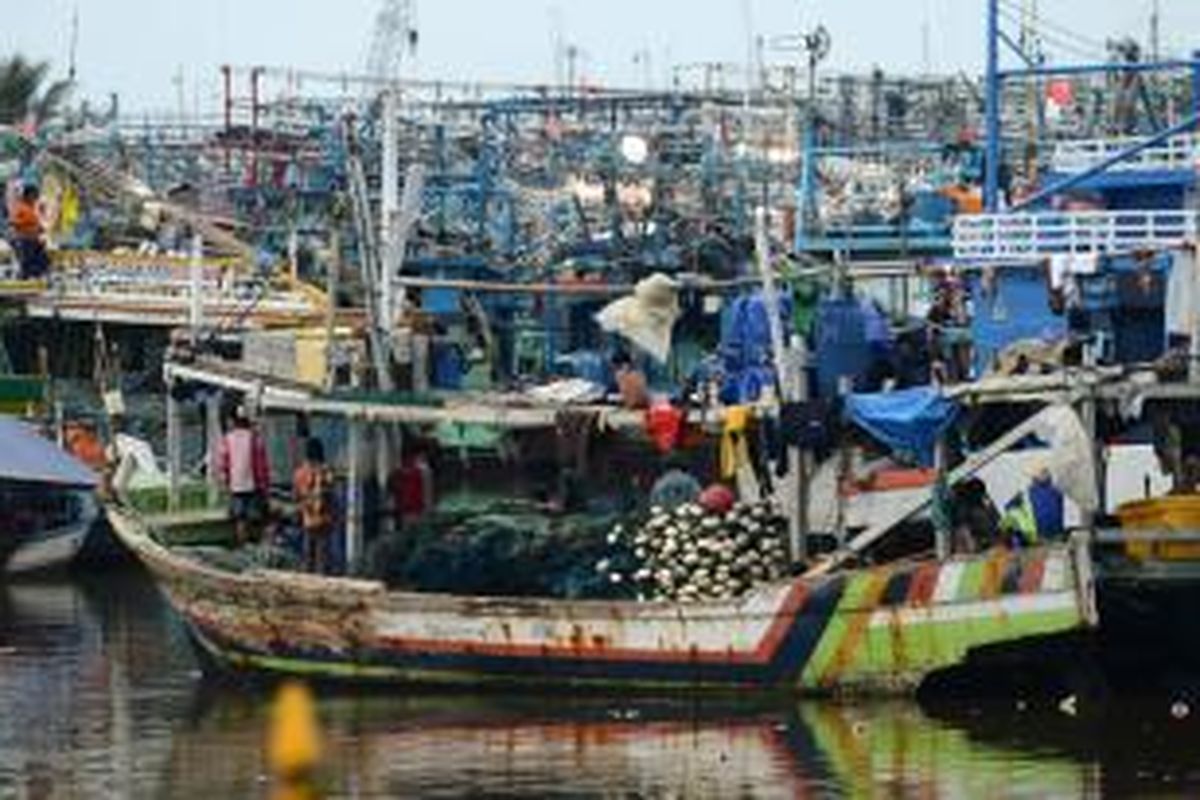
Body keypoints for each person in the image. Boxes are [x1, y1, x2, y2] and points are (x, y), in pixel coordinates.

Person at [216, 405, 271, 546]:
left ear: (234, 421)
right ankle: (259, 548)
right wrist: (265, 485)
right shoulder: (255, 438)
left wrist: (225, 483)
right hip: (253, 485)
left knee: (240, 520)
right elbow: (261, 464)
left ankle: (242, 547)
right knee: (257, 519)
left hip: (236, 485)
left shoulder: (227, 439)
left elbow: (224, 464)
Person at [292, 437, 333, 573]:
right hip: (324, 518)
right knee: (322, 554)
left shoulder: (300, 472)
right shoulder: (326, 471)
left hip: (307, 518)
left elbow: (296, 495)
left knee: (307, 553)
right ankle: (321, 579)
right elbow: (330, 492)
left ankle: (307, 578)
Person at [7, 184, 49, 280]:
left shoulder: (32, 207)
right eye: (34, 195)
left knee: (42, 261)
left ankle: (34, 277)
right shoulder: (21, 207)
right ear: (28, 195)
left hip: (33, 240)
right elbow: (13, 222)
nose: (35, 198)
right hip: (24, 240)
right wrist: (29, 226)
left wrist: (39, 228)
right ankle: (24, 279)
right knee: (26, 262)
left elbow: (36, 222)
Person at [390, 439, 434, 527]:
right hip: (418, 509)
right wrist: (429, 508)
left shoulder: (403, 467)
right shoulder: (425, 469)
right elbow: (427, 492)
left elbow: (396, 487)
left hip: (404, 508)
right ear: (423, 453)